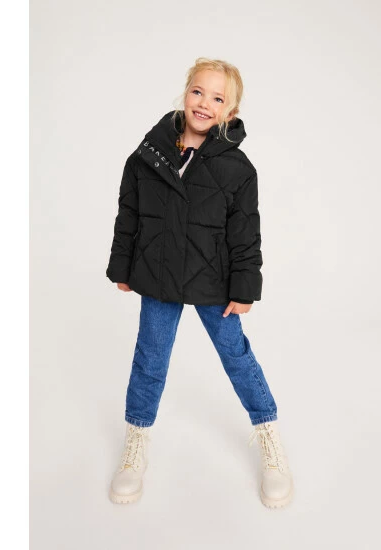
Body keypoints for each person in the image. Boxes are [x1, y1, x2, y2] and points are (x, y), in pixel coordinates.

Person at [105, 57, 294, 508]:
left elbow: (245, 233)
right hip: (159, 275)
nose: (204, 103)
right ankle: (136, 443)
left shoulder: (238, 170)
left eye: (217, 98)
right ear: (184, 93)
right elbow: (129, 214)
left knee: (236, 356)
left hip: (214, 280)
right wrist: (123, 266)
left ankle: (269, 438)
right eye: (197, 91)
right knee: (150, 358)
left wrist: (244, 288)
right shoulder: (147, 154)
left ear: (230, 111)